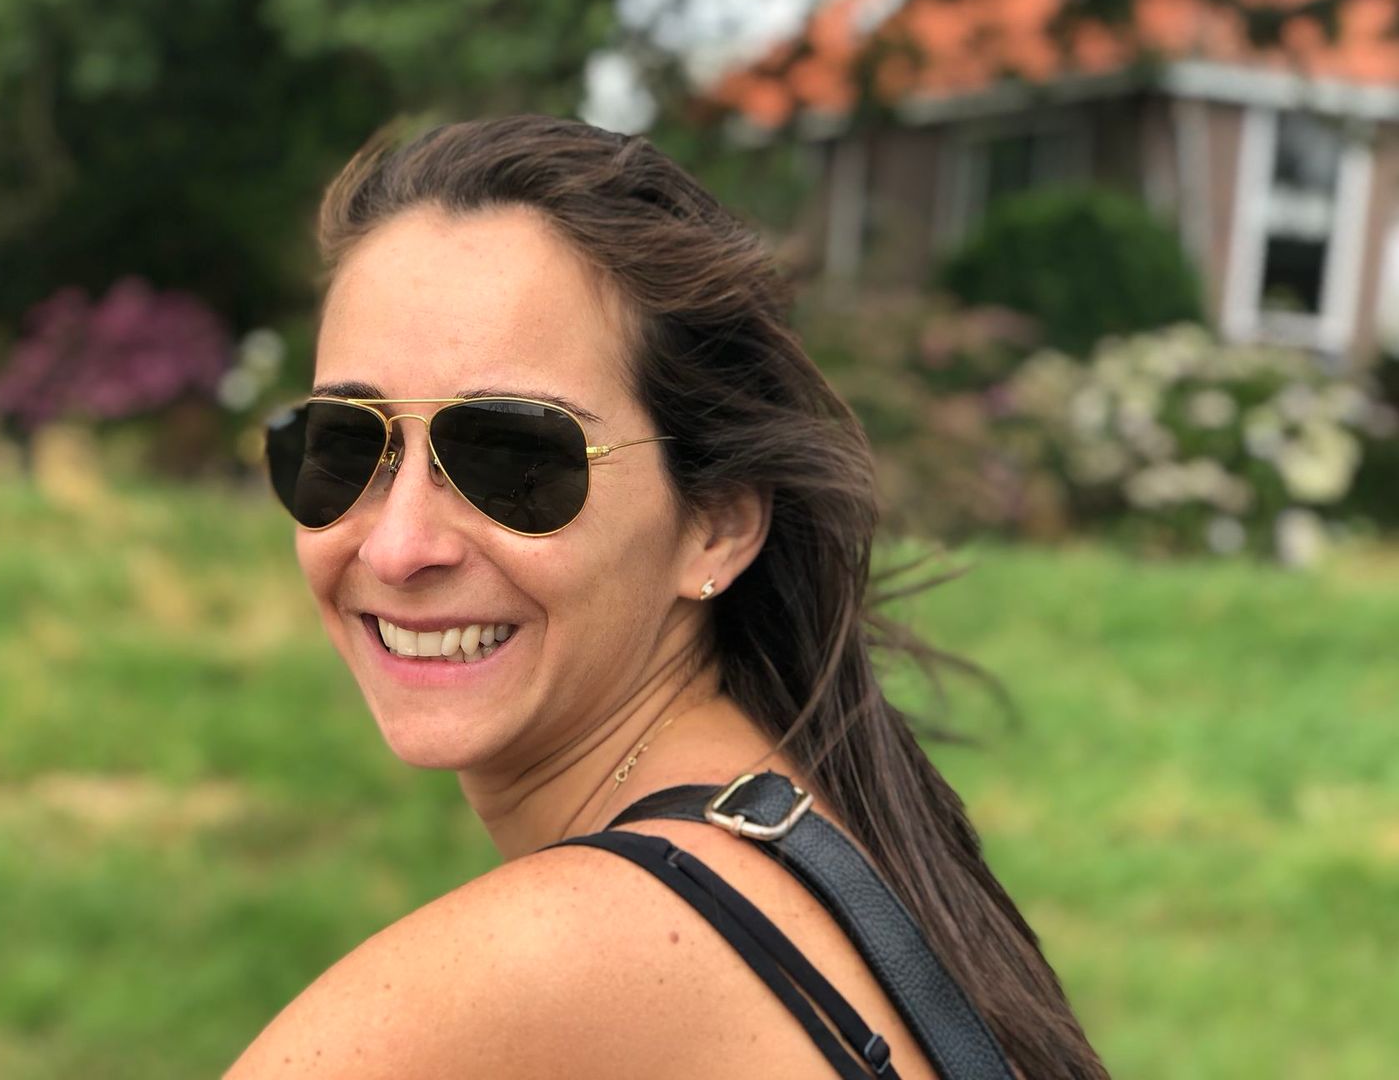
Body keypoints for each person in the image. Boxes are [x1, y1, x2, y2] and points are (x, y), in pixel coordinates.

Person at [226, 115, 1107, 1079]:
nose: (399, 547)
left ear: (716, 524)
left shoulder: (536, 974)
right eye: (343, 446)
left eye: (514, 460)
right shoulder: (814, 846)